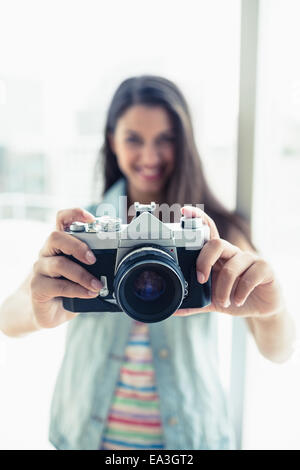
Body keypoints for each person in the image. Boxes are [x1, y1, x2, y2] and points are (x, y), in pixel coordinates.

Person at [0, 75, 295, 450]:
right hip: (85, 437)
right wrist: (39, 307)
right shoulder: (85, 227)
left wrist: (271, 312)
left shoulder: (213, 235)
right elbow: (7, 319)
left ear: (184, 143)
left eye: (165, 139)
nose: (150, 156)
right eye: (134, 139)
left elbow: (280, 350)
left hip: (189, 439)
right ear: (112, 142)